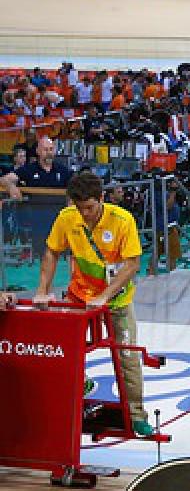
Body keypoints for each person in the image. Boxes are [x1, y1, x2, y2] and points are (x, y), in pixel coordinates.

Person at [34, 171, 151, 435]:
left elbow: (132, 264)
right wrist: (43, 289)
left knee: (128, 355)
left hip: (117, 300)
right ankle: (78, 392)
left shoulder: (122, 221)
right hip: (78, 297)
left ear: (101, 198)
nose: (84, 214)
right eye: (79, 208)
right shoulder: (67, 218)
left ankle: (136, 415)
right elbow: (52, 251)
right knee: (63, 350)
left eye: (89, 208)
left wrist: (105, 296)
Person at [2, 135, 70, 198]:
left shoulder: (63, 170)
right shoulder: (29, 169)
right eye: (45, 149)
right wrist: (11, 187)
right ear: (38, 151)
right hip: (33, 209)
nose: (49, 153)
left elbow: (76, 186)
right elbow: (4, 179)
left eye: (51, 149)